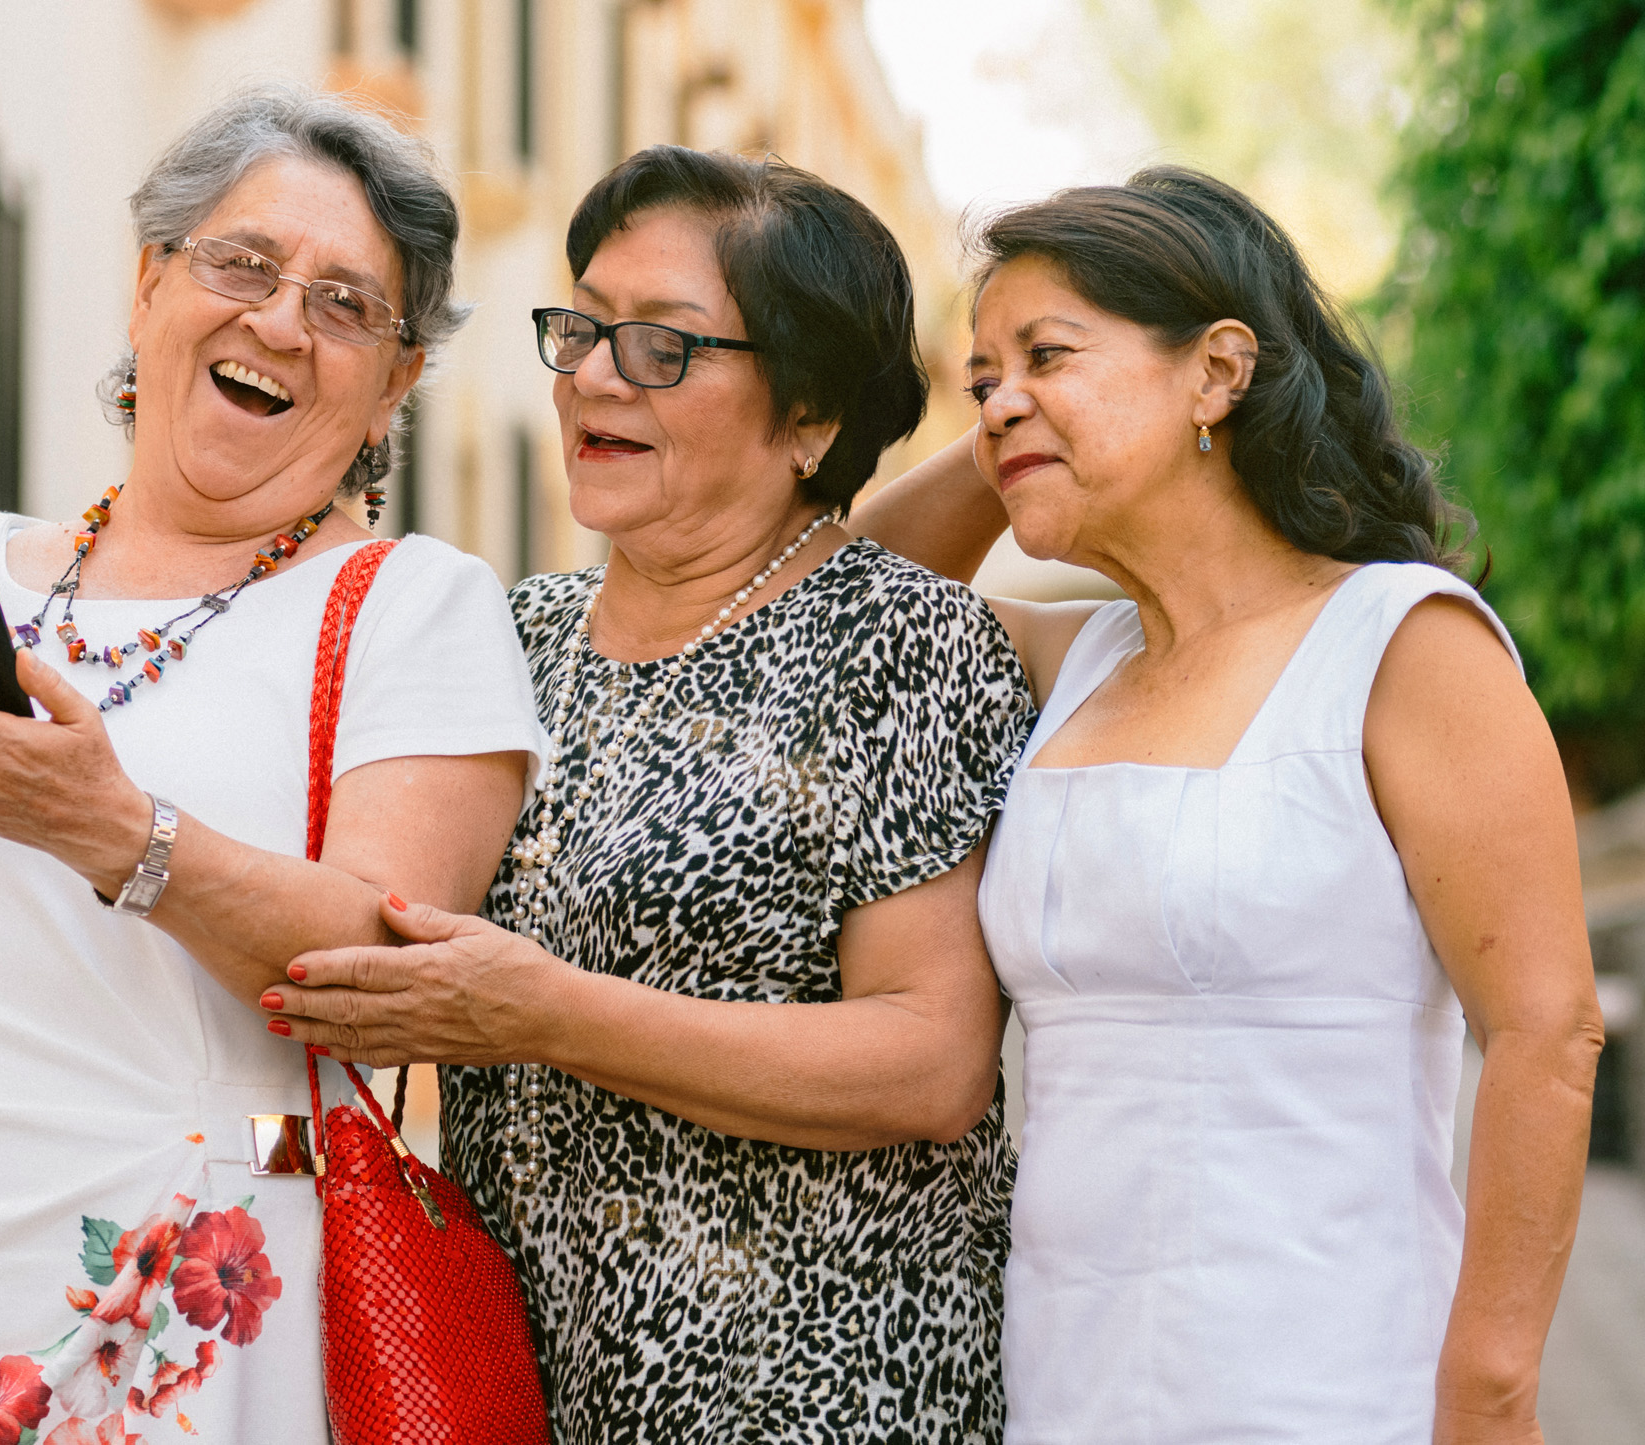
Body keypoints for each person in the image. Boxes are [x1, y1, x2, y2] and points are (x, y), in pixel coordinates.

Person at [0, 85, 546, 1444]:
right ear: (150, 283)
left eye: (347, 305)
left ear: (397, 381)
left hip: (168, 1309)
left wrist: (121, 835)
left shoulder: (417, 606)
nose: (281, 320)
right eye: (242, 264)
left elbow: (393, 973)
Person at [262, 146, 1037, 1443]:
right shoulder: (515, 638)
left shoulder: (903, 640)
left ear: (811, 415)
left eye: (665, 345)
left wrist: (545, 1012)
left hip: (823, 1388)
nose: (595, 375)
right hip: (528, 1381)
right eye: (584, 325)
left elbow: (930, 1059)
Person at [853, 167, 1605, 1444]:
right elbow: (857, 593)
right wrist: (1025, 428)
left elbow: (1548, 1031)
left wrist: (1488, 1393)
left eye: (1050, 351)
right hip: (1064, 1383)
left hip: (1333, 1384)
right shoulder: (1070, 662)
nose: (997, 404)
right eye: (980, 380)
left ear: (1217, 372)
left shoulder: (1402, 644)